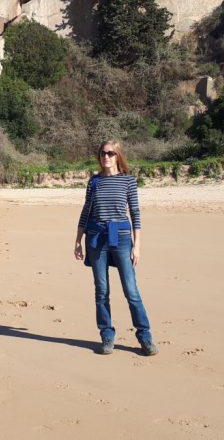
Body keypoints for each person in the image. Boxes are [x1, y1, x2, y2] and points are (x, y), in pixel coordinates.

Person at [73, 140, 158, 356]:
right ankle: (107, 336)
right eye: (102, 153)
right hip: (96, 239)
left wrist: (137, 246)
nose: (106, 157)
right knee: (101, 291)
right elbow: (86, 212)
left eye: (110, 153)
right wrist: (78, 240)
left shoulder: (128, 181)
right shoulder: (94, 182)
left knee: (131, 290)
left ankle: (145, 336)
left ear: (118, 155)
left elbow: (135, 214)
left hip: (121, 240)